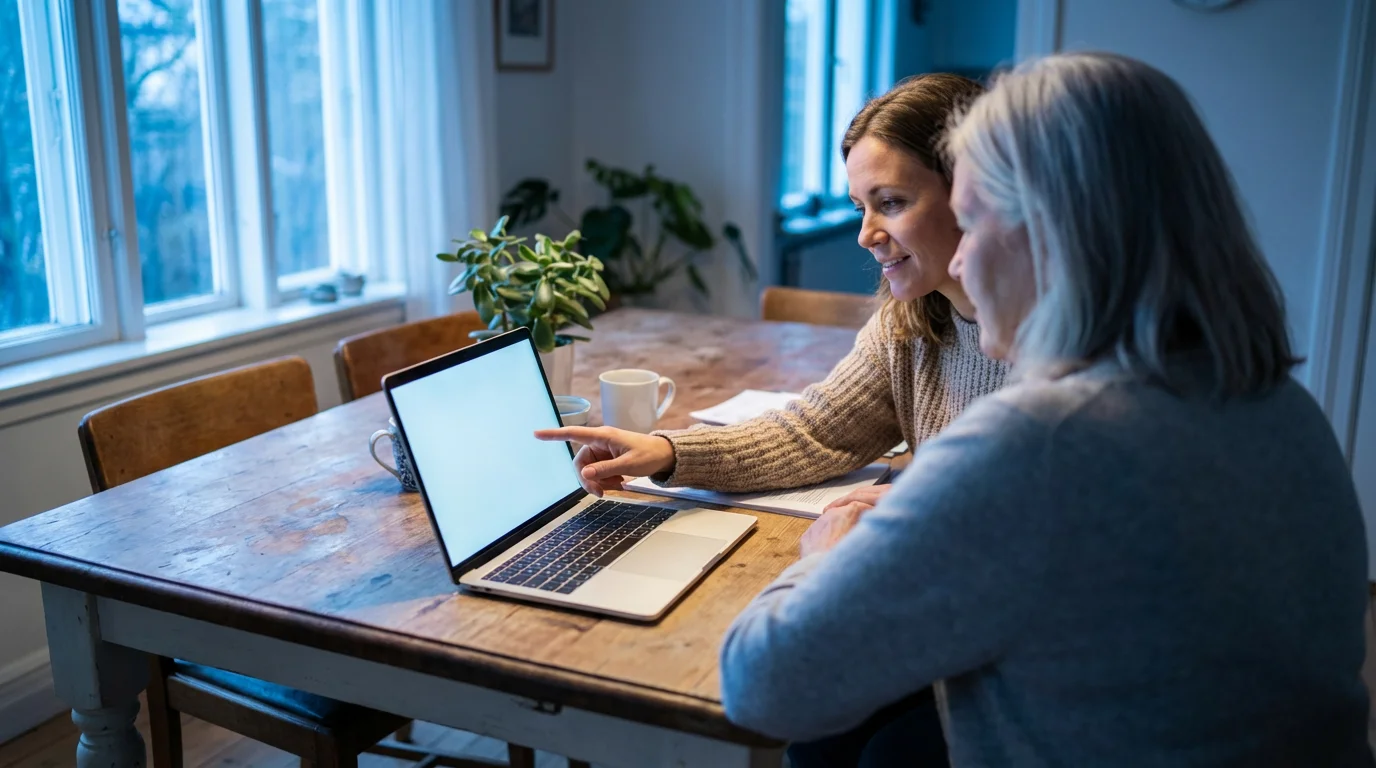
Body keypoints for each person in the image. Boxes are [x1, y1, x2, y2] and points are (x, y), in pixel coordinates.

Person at [717, 51, 1373, 766]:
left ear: (1055, 228)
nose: (961, 263)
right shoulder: (1279, 403)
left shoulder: (1045, 440)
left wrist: (823, 561)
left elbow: (761, 687)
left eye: (972, 220)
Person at [536, 73, 1009, 518]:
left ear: (972, 192)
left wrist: (922, 502)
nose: (866, 235)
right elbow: (814, 432)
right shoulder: (907, 326)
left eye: (891, 203)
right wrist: (666, 452)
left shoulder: (1056, 344)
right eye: (861, 207)